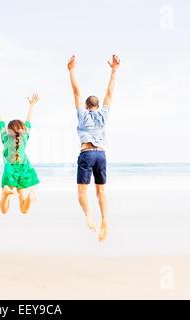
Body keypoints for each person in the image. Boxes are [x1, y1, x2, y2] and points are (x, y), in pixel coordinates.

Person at [67, 54, 120, 242]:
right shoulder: (103, 114)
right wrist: (114, 71)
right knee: (101, 191)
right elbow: (110, 92)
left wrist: (71, 69)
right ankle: (104, 220)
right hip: (102, 155)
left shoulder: (82, 114)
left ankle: (88, 213)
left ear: (87, 105)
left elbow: (76, 92)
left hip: (87, 153)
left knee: (82, 191)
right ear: (97, 106)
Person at [0, 92, 40, 214]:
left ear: (9, 131)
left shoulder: (5, 138)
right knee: (23, 210)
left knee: (4, 210)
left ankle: (6, 194)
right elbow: (28, 121)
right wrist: (32, 105)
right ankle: (28, 198)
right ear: (23, 130)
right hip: (24, 170)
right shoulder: (24, 137)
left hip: (9, 170)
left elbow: (0, 121)